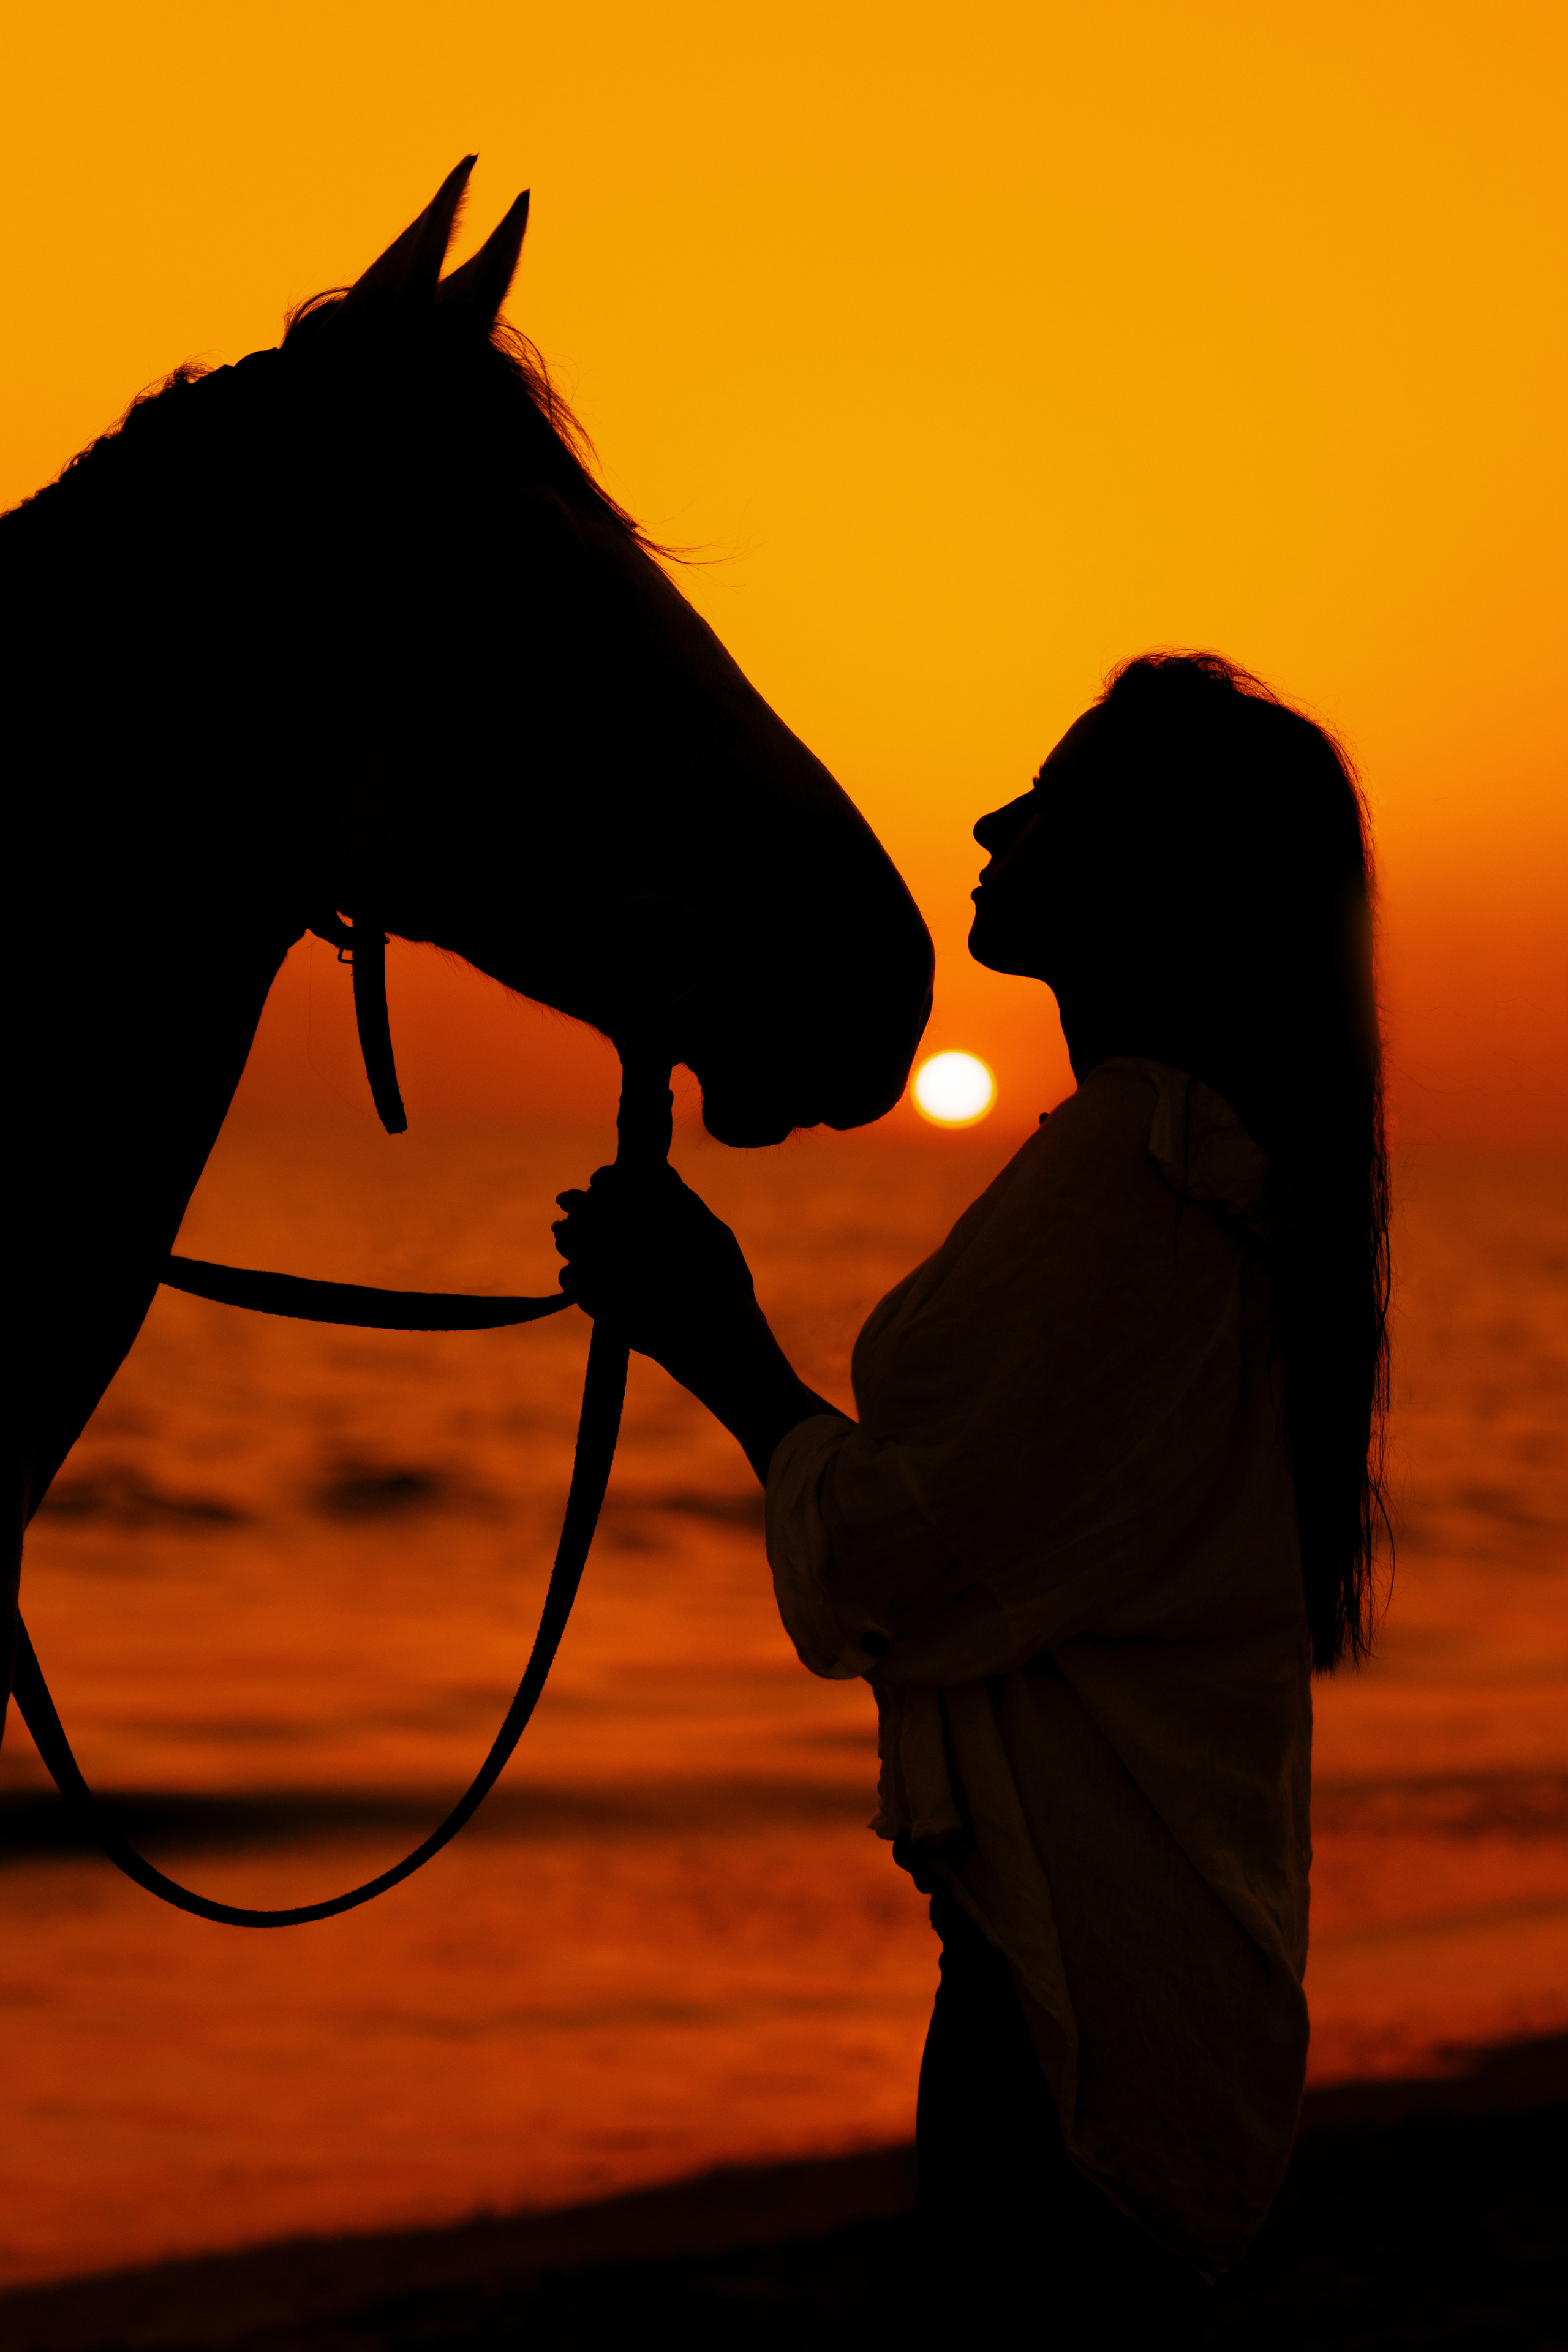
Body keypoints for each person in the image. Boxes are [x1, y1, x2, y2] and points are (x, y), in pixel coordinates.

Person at [552, 651, 1390, 2340]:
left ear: (1156, 876)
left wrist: (719, 1345)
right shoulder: (1198, 1171)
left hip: (1074, 2026)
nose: (997, 823)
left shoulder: (1140, 1174)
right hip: (1117, 1989)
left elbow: (896, 1564)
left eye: (1057, 803)